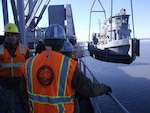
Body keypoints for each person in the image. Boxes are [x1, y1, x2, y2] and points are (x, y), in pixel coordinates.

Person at [21, 24, 112, 113]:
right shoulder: (69, 65)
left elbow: (22, 92)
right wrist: (104, 88)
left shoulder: (29, 64)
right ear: (62, 43)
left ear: (44, 42)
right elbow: (90, 89)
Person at [0, 23, 32, 113]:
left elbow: (31, 65)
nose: (10, 37)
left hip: (21, 83)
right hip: (6, 84)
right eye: (8, 35)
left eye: (12, 35)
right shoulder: (0, 50)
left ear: (16, 36)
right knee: (8, 108)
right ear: (5, 36)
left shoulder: (24, 50)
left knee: (26, 106)